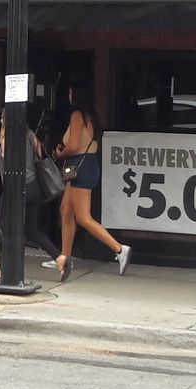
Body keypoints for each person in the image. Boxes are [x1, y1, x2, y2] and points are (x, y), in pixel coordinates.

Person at [52, 79, 132, 282]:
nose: (68, 95)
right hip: (84, 165)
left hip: (79, 166)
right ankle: (64, 257)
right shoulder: (90, 116)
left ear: (76, 95)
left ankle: (119, 248)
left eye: (70, 92)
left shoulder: (77, 115)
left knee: (82, 217)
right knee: (66, 210)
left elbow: (73, 145)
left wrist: (60, 153)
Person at [0, 112, 62, 282]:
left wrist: (3, 138)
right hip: (34, 188)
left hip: (16, 189)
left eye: (2, 117)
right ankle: (59, 257)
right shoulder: (30, 134)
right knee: (32, 230)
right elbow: (40, 154)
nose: (0, 120)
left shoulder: (7, 137)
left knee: (7, 228)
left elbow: (7, 159)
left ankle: (4, 269)